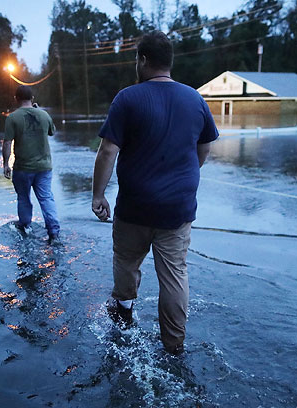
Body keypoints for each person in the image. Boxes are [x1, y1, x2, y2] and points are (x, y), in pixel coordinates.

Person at [91, 31, 219, 355]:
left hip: (134, 207)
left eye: (137, 58)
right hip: (177, 210)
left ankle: (123, 317)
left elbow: (108, 151)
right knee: (174, 274)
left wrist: (98, 195)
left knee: (126, 262)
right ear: (170, 62)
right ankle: (174, 345)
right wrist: (184, 176)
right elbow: (203, 148)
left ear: (143, 60)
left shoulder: (128, 98)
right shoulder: (195, 99)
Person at [3, 85, 60, 243]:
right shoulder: (43, 114)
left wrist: (6, 164)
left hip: (23, 169)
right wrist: (40, 111)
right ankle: (54, 232)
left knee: (23, 198)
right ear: (32, 99)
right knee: (46, 198)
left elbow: (7, 143)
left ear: (16, 99)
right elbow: (52, 131)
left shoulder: (12, 118)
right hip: (44, 167)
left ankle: (25, 227)